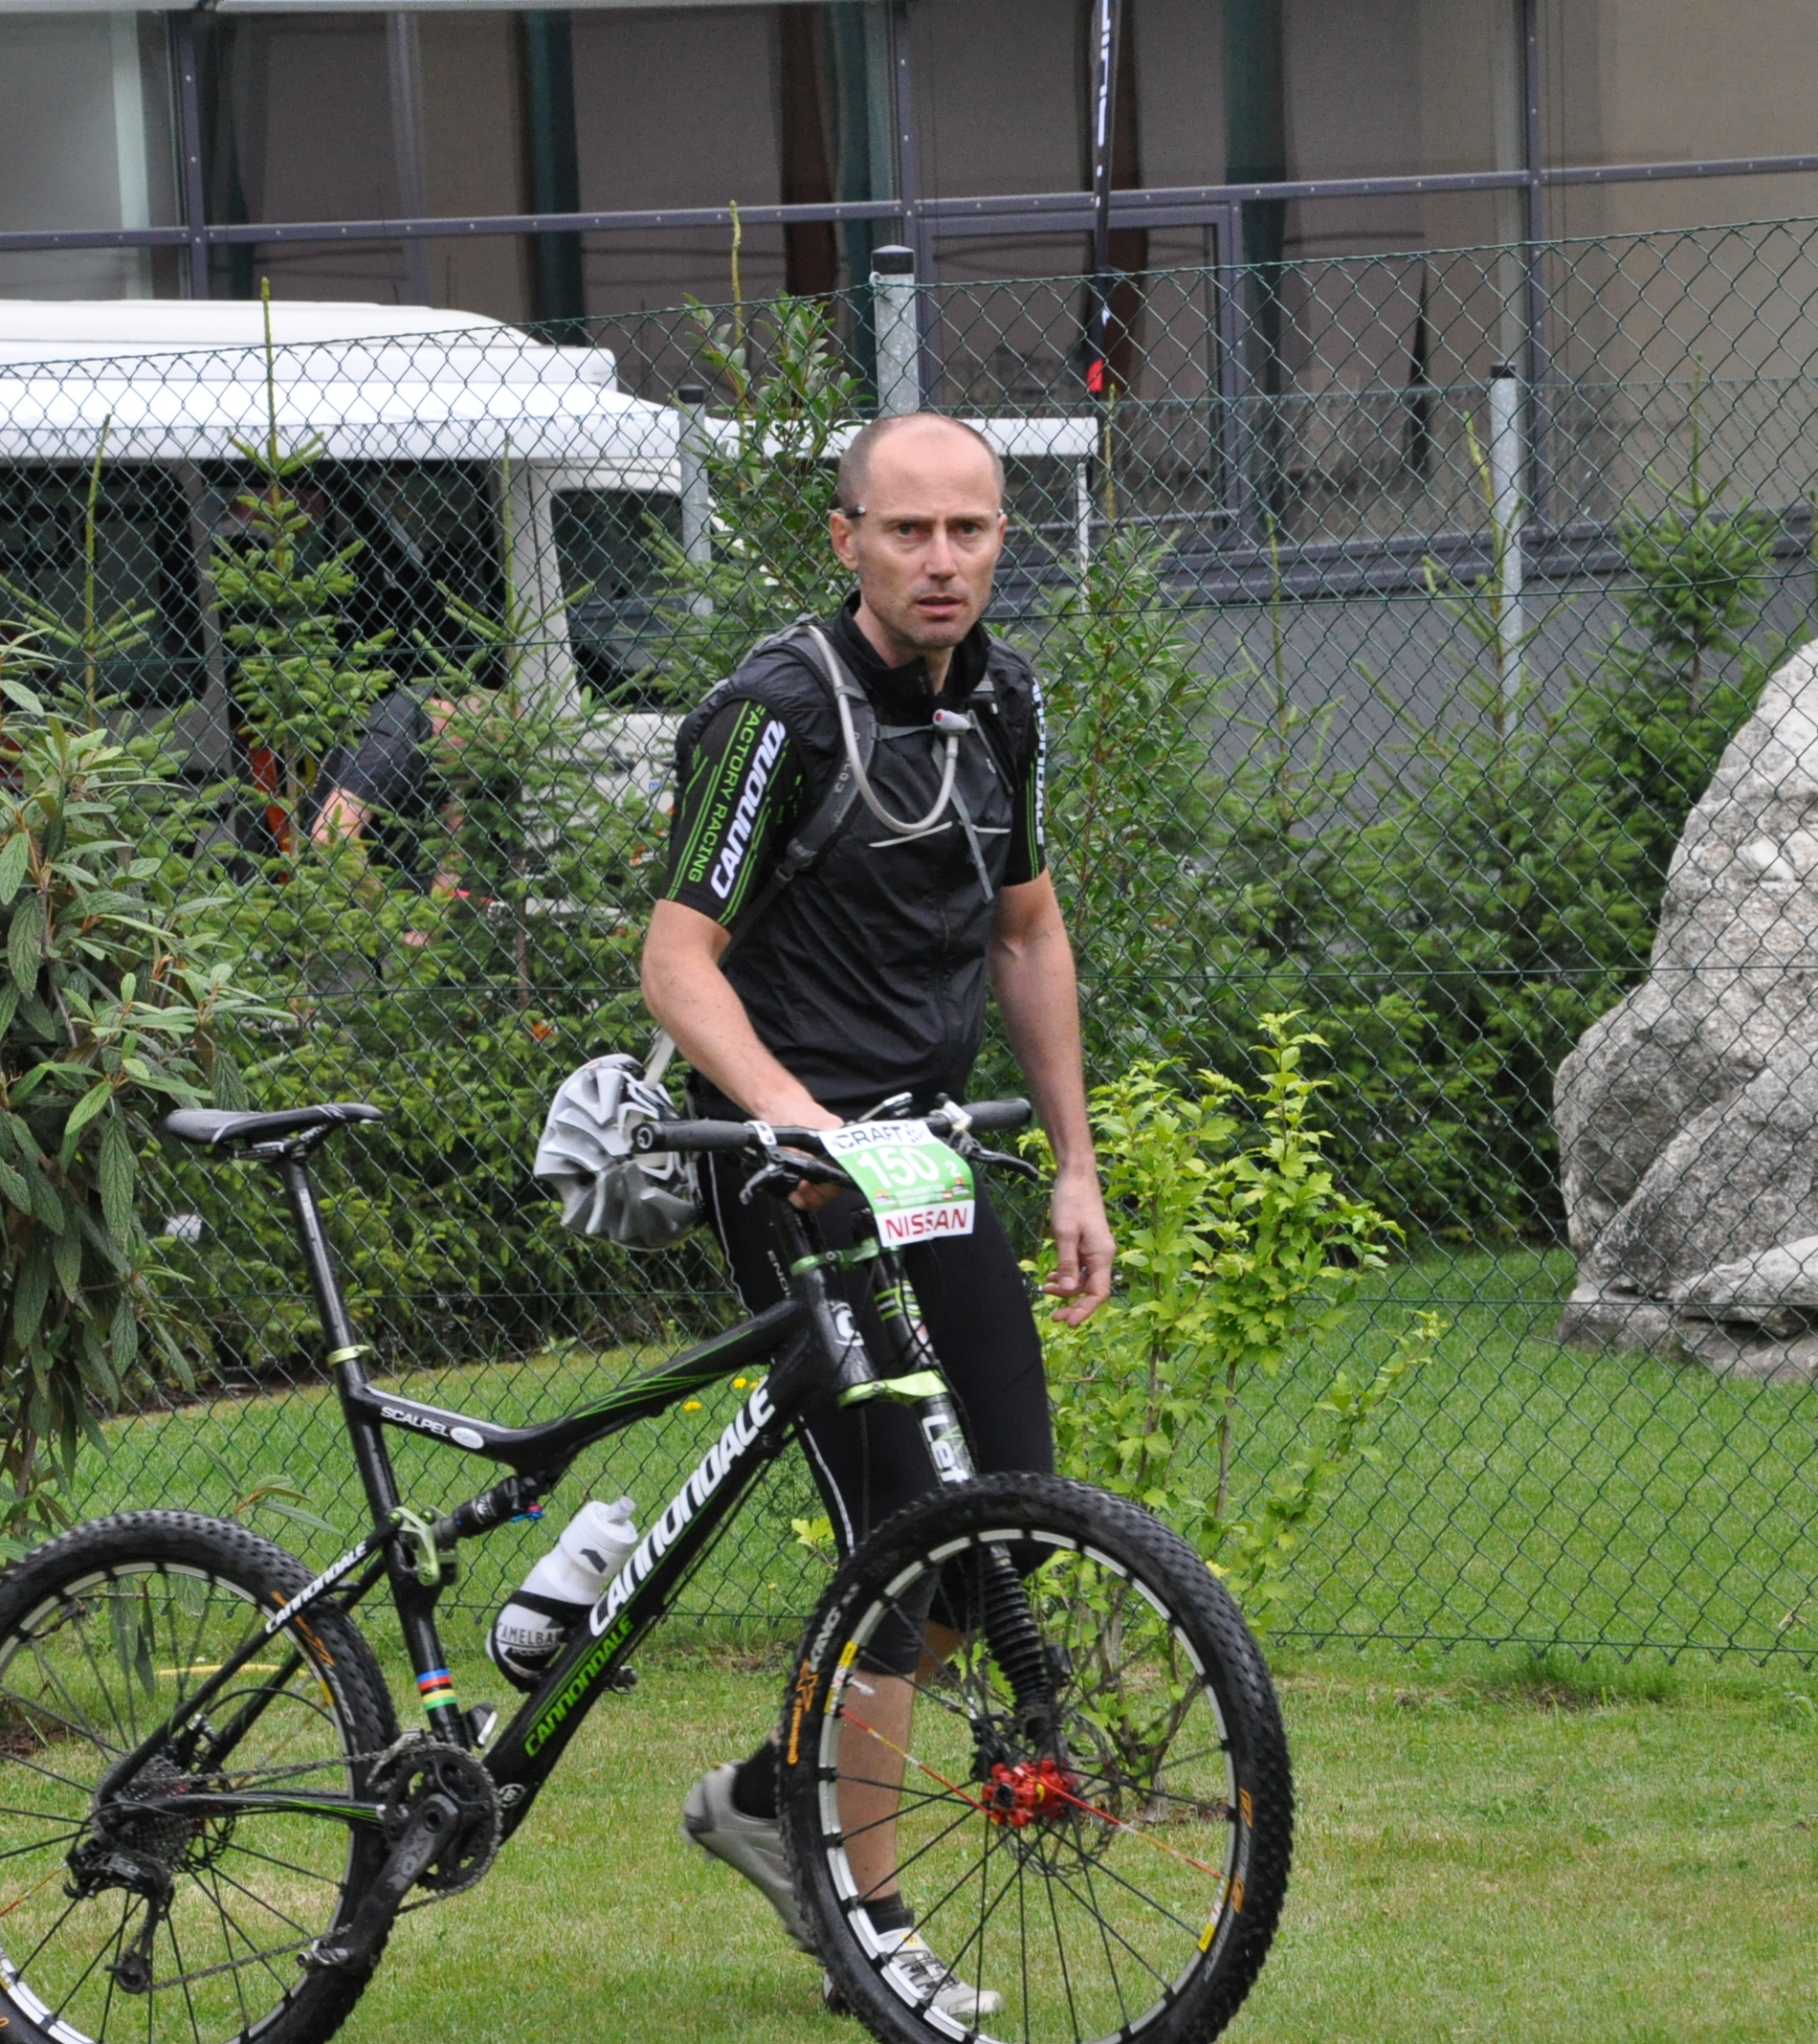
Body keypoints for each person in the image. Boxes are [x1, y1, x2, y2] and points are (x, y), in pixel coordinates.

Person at [640, 411, 1113, 2018]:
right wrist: (796, 1114)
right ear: (845, 540)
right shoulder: (777, 711)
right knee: (903, 1536)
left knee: (1009, 1526)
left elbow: (1028, 932)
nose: (941, 560)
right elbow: (677, 964)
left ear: (1002, 540)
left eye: (968, 530)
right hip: (785, 1163)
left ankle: (773, 1803)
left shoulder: (1005, 703)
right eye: (907, 531)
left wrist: (1073, 1163)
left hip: (922, 1158)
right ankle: (872, 1927)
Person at [308, 685, 508, 902]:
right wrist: (387, 915)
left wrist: (436, 912)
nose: (478, 777)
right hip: (341, 895)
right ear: (462, 733)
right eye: (480, 761)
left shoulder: (437, 725)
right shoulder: (386, 749)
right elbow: (330, 837)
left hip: (402, 880)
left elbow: (454, 815)